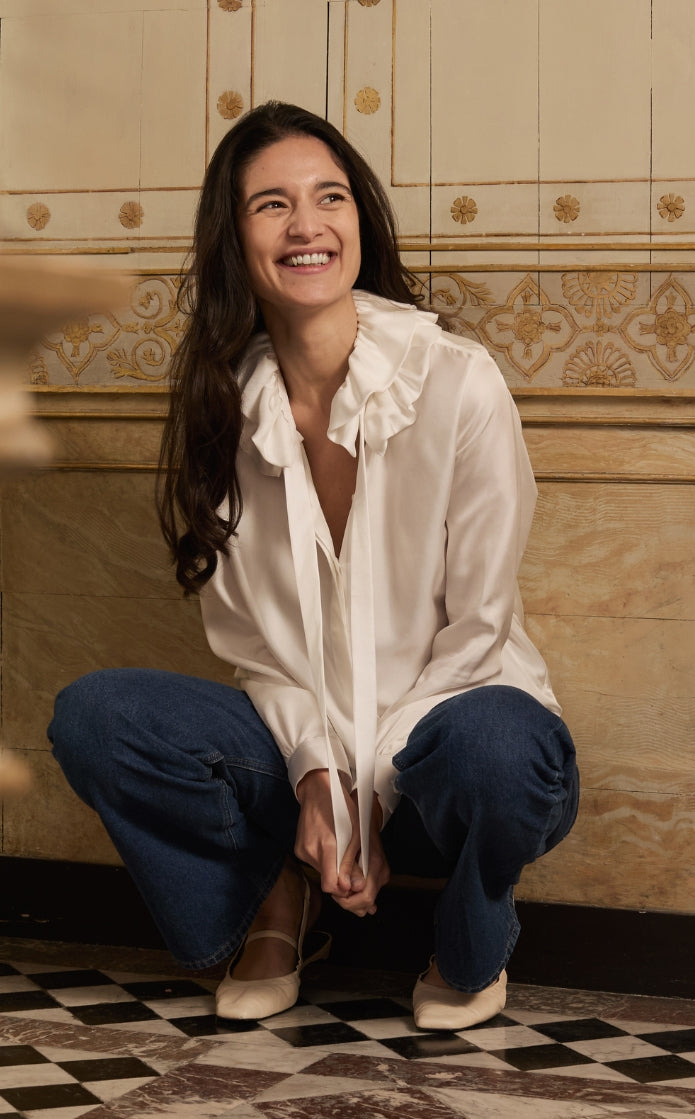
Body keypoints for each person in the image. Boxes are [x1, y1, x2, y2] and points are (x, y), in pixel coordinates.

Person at [48, 101, 579, 1031]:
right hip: (308, 775)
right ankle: (274, 893)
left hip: (443, 762)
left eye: (329, 197)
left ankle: (469, 935)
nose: (307, 225)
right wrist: (316, 779)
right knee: (97, 717)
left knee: (501, 747)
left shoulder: (457, 380)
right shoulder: (225, 409)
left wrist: (368, 794)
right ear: (234, 238)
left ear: (358, 220)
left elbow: (477, 630)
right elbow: (257, 650)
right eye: (272, 204)